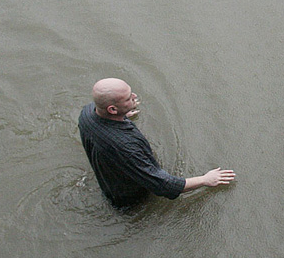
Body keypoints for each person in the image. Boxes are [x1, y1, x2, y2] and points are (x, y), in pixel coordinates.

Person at [78, 78, 235, 207]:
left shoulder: (86, 113)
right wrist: (205, 179)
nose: (134, 96)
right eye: (128, 99)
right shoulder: (127, 148)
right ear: (112, 109)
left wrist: (123, 113)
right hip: (129, 199)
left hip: (108, 179)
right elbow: (162, 185)